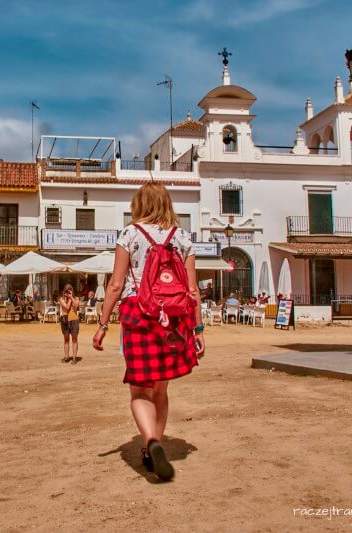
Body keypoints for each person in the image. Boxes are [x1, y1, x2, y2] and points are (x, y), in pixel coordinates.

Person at [92, 181, 205, 481]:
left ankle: (151, 442)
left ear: (138, 205)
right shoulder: (182, 237)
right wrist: (199, 329)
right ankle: (154, 443)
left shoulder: (129, 234)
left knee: (140, 389)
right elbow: (192, 290)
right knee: (161, 388)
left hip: (139, 315)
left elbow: (115, 284)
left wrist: (102, 325)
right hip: (175, 319)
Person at [59, 284, 80, 364]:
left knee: (74, 339)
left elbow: (76, 307)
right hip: (65, 320)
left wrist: (71, 298)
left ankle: (74, 357)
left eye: (70, 290)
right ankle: (66, 357)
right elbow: (67, 307)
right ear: (64, 291)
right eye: (66, 290)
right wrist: (69, 299)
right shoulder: (61, 299)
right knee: (66, 339)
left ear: (72, 291)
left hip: (74, 320)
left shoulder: (76, 298)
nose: (68, 291)